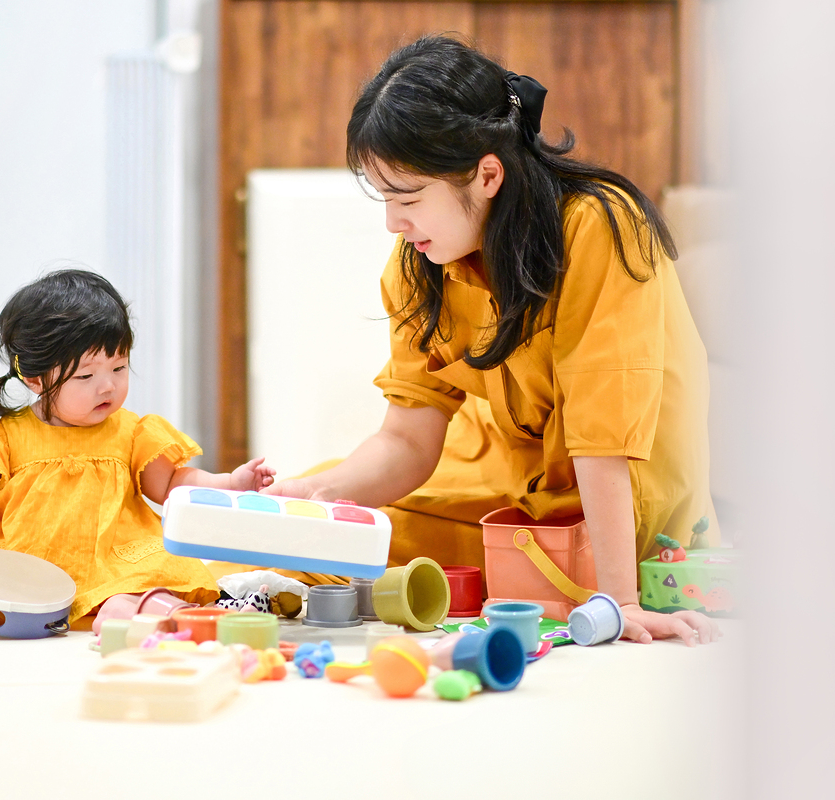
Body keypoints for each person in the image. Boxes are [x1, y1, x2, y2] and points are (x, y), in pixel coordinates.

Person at [264, 36, 719, 646]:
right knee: (315, 532)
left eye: (408, 198)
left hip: (617, 495)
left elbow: (603, 439)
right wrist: (308, 498)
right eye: (385, 199)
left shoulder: (599, 228)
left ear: (487, 174)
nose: (393, 222)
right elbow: (406, 439)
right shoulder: (418, 263)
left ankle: (583, 578)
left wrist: (621, 601)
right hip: (507, 477)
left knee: (377, 555)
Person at [0, 269, 275, 635]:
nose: (108, 385)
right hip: (21, 553)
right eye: (86, 375)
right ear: (36, 379)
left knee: (149, 574)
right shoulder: (5, 434)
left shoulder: (133, 432)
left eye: (119, 367)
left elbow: (172, 483)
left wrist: (228, 482)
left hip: (112, 554)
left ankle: (134, 609)